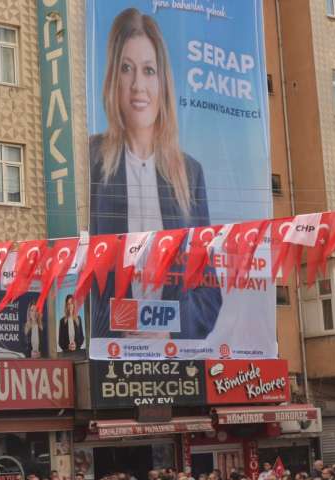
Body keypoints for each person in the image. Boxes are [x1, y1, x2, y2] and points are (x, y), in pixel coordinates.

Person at [88, 7, 221, 341]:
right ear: (112, 78)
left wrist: (169, 329)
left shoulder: (189, 173)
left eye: (148, 70)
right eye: (126, 69)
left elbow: (209, 293)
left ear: (163, 82)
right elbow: (78, 277)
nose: (137, 86)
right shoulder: (89, 159)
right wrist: (122, 327)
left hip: (174, 357)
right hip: (110, 355)